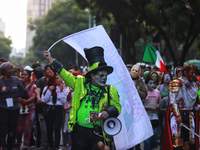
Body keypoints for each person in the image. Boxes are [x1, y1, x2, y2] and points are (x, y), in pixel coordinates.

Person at [43, 46, 121, 150]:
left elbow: (117, 106)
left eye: (105, 75)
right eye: (101, 75)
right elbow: (65, 75)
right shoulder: (80, 83)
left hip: (98, 133)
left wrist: (108, 112)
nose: (104, 78)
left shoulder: (110, 90)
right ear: (92, 75)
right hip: (79, 131)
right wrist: (50, 60)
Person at [163, 64, 200, 150]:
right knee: (177, 142)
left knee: (189, 143)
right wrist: (178, 115)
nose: (194, 75)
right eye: (192, 73)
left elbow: (195, 104)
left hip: (190, 116)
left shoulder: (194, 85)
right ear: (185, 72)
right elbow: (172, 102)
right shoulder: (176, 82)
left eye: (194, 73)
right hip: (177, 116)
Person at [0, 62, 28, 150]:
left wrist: (30, 87)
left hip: (14, 109)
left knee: (12, 131)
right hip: (3, 109)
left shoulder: (16, 80)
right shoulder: (0, 82)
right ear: (4, 71)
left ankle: (10, 147)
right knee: (3, 130)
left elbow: (23, 93)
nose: (11, 71)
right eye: (9, 69)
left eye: (12, 68)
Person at [42, 74, 67, 150]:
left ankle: (56, 146)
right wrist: (49, 91)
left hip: (58, 109)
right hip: (50, 109)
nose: (59, 80)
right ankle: (51, 145)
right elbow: (44, 100)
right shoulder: (47, 88)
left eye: (59, 78)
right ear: (53, 79)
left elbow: (64, 101)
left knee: (57, 128)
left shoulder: (61, 88)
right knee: (49, 128)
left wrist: (62, 91)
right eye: (57, 78)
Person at [16, 66, 37, 150]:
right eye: (22, 74)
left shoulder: (33, 85)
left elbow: (34, 96)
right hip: (20, 109)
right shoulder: (18, 84)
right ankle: (18, 143)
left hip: (30, 108)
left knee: (27, 128)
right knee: (19, 128)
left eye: (25, 74)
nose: (23, 76)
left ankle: (25, 145)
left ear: (29, 76)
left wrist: (27, 101)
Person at [130, 64, 147, 150]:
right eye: (133, 70)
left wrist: (136, 91)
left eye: (136, 71)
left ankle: (137, 146)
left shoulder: (141, 82)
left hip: (137, 110)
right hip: (128, 109)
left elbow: (144, 94)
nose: (134, 72)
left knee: (137, 129)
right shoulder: (126, 80)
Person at [36, 65, 53, 150]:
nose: (49, 71)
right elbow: (38, 90)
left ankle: (52, 144)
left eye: (51, 69)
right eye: (48, 69)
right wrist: (39, 98)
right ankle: (45, 144)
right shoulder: (41, 81)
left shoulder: (55, 81)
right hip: (42, 107)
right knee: (43, 128)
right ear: (45, 71)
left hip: (52, 108)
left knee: (52, 127)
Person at [143, 77, 161, 150]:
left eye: (153, 83)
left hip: (155, 116)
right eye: (150, 83)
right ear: (146, 84)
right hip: (146, 117)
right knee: (147, 136)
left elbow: (160, 102)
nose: (152, 85)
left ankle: (153, 147)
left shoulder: (157, 92)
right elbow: (140, 106)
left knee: (155, 134)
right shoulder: (144, 93)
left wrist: (158, 106)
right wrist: (149, 108)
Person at [156, 73, 172, 149]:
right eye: (165, 77)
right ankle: (161, 144)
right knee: (162, 129)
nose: (167, 78)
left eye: (168, 77)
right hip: (161, 112)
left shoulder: (173, 87)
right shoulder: (159, 87)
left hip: (170, 112)